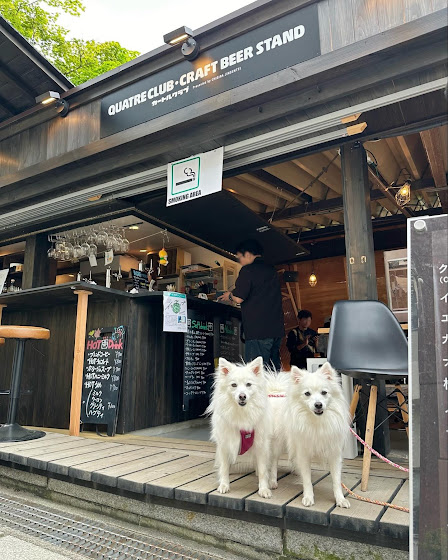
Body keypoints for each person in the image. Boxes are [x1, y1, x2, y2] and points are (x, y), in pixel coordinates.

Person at [218, 239, 284, 370]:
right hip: (276, 330)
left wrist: (229, 295)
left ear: (247, 254)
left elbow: (238, 298)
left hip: (258, 330)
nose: (240, 261)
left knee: (255, 373)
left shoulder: (248, 270)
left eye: (240, 257)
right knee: (272, 372)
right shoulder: (271, 270)